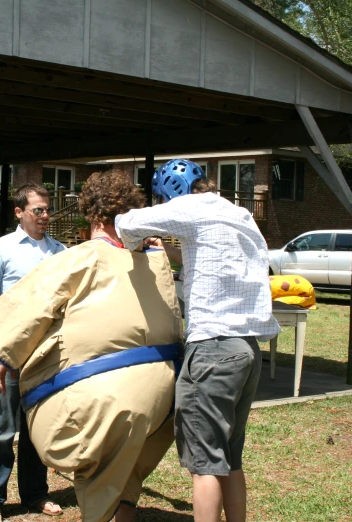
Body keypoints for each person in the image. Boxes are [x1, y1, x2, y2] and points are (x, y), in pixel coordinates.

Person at [0, 170, 183, 522]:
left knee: (94, 452)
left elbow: (31, 310)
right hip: (161, 405)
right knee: (128, 456)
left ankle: (101, 512)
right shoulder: (155, 262)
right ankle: (125, 507)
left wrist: (4, 354)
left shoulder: (79, 257)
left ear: (90, 212)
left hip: (93, 406)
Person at [114, 159, 281, 522]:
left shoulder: (191, 207)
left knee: (205, 463)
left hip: (213, 349)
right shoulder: (238, 215)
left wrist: (138, 238)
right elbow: (208, 258)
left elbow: (126, 225)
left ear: (172, 191)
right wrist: (169, 249)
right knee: (229, 457)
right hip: (245, 348)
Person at [0, 183, 65, 522]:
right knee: (0, 429)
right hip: (7, 356)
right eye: (38, 210)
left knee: (37, 427)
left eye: (47, 209)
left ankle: (35, 495)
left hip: (45, 356)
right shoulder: (1, 249)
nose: (45, 216)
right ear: (19, 212)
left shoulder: (60, 251)